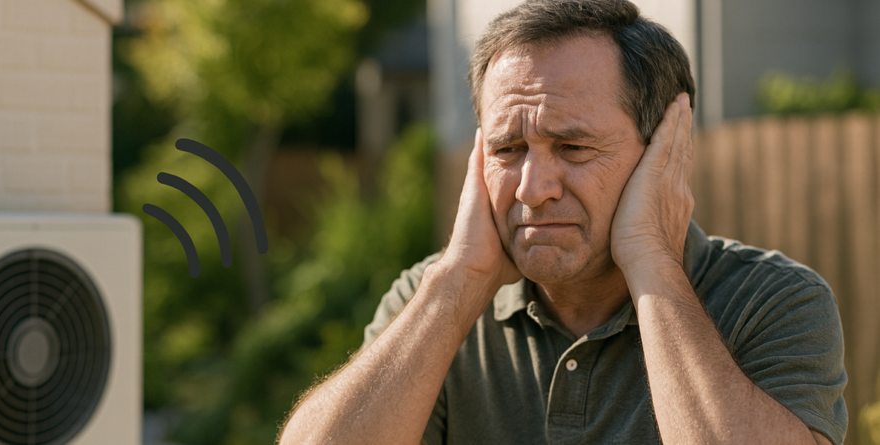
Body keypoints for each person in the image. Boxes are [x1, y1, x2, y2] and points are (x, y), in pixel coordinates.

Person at [278, 0, 848, 443]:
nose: (532, 188)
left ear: (664, 152)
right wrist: (456, 282)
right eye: (508, 149)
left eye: (573, 147)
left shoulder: (775, 301)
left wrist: (651, 261)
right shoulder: (432, 301)